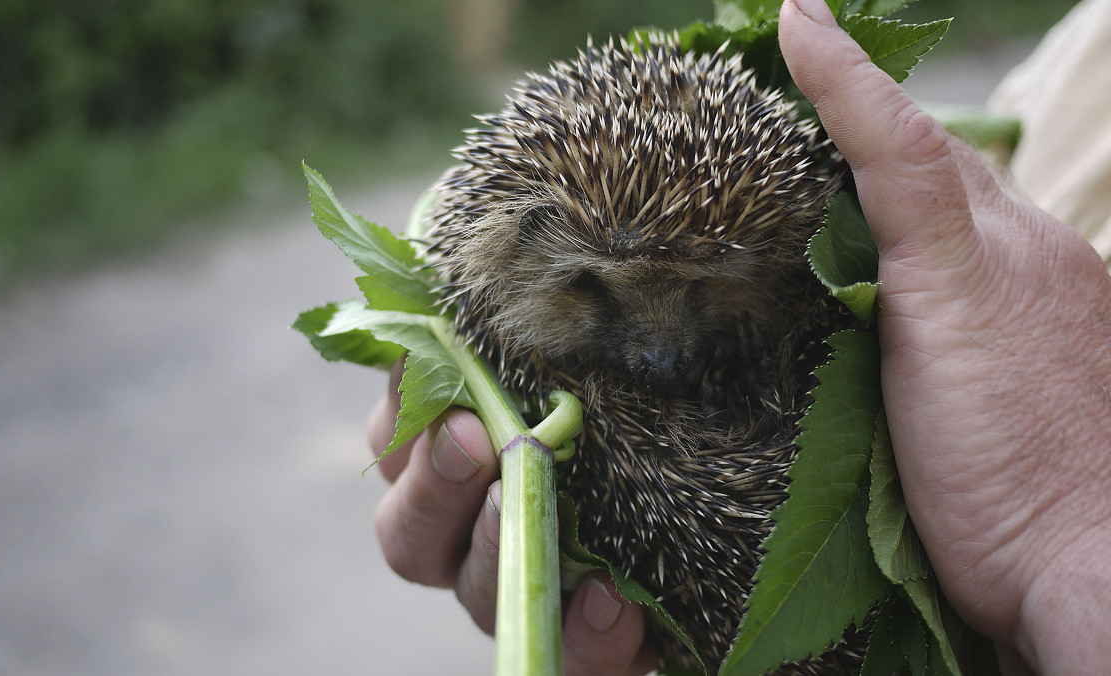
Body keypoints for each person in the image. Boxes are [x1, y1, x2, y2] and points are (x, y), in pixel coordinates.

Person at [365, 0, 1111, 673]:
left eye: (697, 288)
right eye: (594, 289)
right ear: (518, 246)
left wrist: (1065, 529)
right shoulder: (1079, 65)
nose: (660, 348)